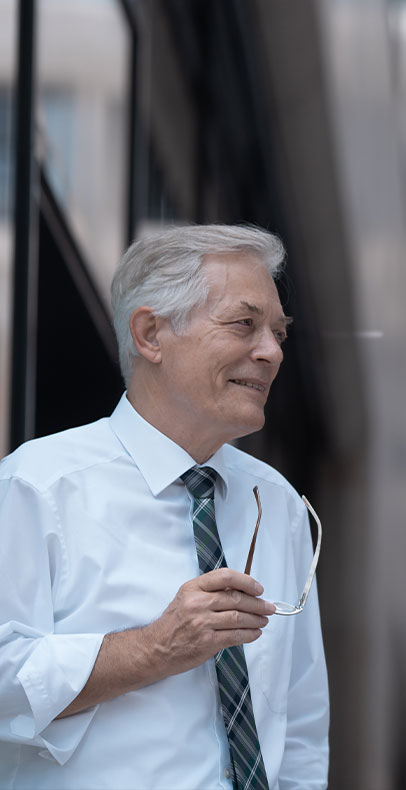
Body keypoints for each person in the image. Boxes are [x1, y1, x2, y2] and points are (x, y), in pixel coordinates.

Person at [0, 224, 329, 789]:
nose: (272, 352)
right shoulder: (37, 486)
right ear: (151, 334)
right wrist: (155, 647)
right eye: (244, 324)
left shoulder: (277, 504)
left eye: (278, 332)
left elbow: (299, 727)